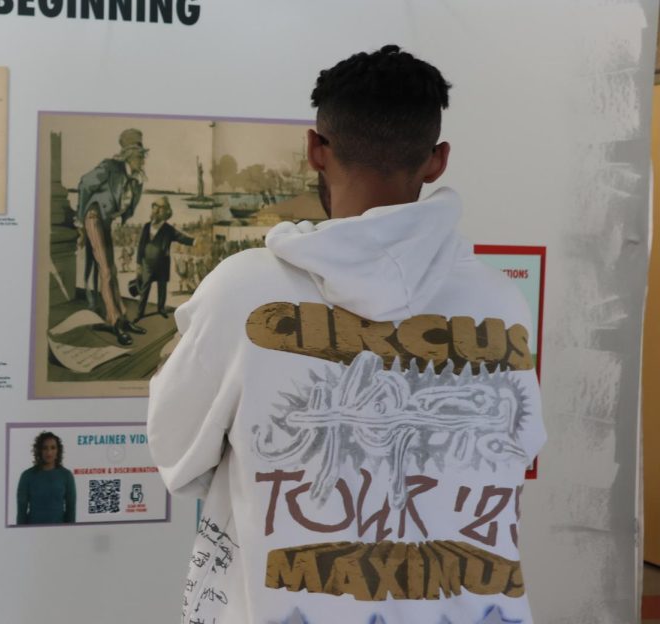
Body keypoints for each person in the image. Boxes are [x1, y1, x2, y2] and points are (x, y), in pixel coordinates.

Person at [147, 45, 545, 624]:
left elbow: (175, 452)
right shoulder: (499, 303)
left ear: (315, 149)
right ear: (437, 161)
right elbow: (518, 451)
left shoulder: (241, 292)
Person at [76, 128, 147, 346]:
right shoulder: (109, 167)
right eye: (139, 156)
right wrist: (82, 217)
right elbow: (85, 183)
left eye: (143, 156)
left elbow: (126, 207)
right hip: (93, 217)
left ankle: (123, 318)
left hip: (104, 220)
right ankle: (114, 320)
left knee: (112, 270)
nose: (142, 160)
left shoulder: (136, 179)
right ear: (129, 155)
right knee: (105, 271)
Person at [132, 196, 194, 323]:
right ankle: (140, 313)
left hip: (162, 265)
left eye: (159, 209)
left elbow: (181, 237)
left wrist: (194, 241)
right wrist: (138, 264)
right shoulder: (146, 226)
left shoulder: (168, 229)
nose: (155, 211)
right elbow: (141, 246)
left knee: (162, 288)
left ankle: (161, 309)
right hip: (147, 265)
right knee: (144, 289)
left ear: (165, 212)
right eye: (154, 208)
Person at [16, 431, 76, 525]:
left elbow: (71, 510)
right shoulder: (27, 476)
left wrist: (70, 534)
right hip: (32, 531)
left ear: (58, 451)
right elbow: (21, 511)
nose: (49, 452)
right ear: (39, 450)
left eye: (53, 448)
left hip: (59, 531)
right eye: (45, 448)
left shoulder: (66, 476)